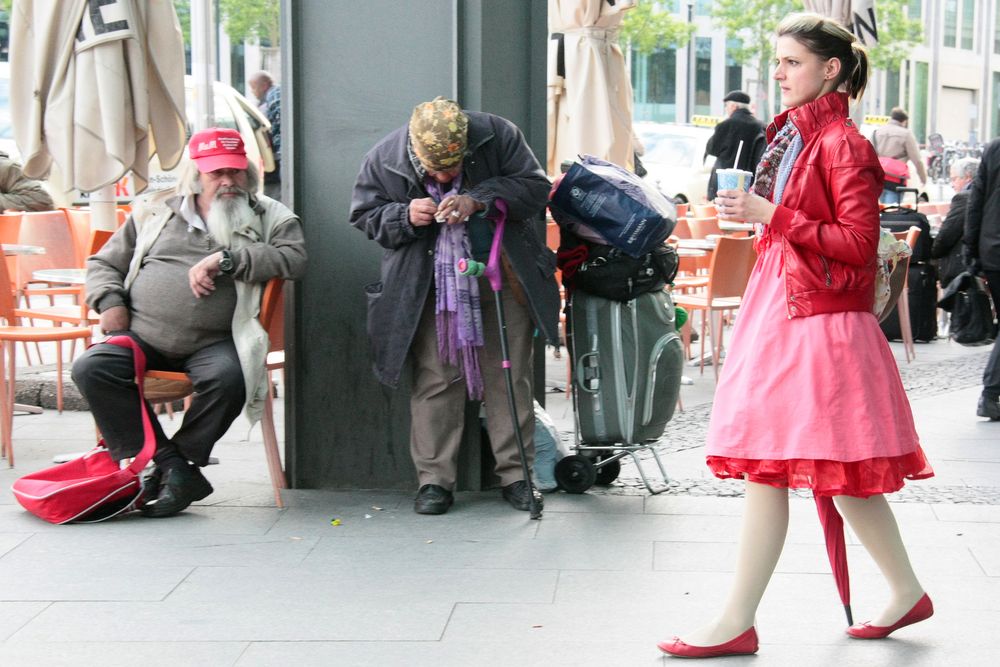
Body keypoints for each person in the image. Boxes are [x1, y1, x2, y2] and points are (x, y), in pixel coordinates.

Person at [658, 14, 934, 658]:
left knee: (773, 463)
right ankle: (903, 590)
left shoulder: (841, 142)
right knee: (832, 469)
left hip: (816, 324)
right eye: (776, 61)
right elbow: (805, 229)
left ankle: (736, 619)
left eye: (790, 62)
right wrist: (763, 222)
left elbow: (861, 246)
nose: (776, 74)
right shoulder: (803, 137)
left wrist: (771, 214)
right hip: (793, 310)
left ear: (829, 69)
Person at [71, 127, 307, 518]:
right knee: (92, 368)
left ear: (247, 172)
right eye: (217, 174)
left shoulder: (270, 215)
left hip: (217, 340)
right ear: (197, 174)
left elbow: (294, 259)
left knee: (230, 378)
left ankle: (175, 464)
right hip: (143, 336)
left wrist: (229, 260)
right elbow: (103, 263)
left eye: (235, 172)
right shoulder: (154, 211)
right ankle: (173, 467)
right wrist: (109, 300)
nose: (228, 182)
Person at [350, 97, 560, 515]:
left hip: (500, 274)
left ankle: (517, 476)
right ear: (415, 152)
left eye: (453, 166)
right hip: (429, 287)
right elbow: (364, 215)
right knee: (436, 379)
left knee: (509, 377)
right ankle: (434, 482)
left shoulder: (498, 135)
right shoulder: (385, 158)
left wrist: (479, 198)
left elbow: (536, 188)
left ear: (467, 145)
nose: (446, 176)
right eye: (435, 170)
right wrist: (404, 215)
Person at [963, 140, 1000, 420]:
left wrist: (973, 250)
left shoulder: (994, 148)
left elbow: (976, 200)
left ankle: (990, 394)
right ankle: (989, 392)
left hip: (992, 250)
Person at [704, 90, 766, 201]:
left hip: (724, 184)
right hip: (748, 185)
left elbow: (711, 149)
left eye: (726, 106)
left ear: (733, 106)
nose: (726, 109)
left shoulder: (726, 125)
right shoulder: (761, 126)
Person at [931, 157, 978, 289]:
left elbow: (946, 236)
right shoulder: (989, 194)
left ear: (968, 177)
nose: (952, 184)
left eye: (954, 179)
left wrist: (933, 252)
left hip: (964, 273)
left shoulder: (964, 198)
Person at [871, 107, 927, 205]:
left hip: (877, 178)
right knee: (891, 212)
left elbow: (868, 154)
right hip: (895, 180)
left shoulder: (877, 132)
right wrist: (923, 178)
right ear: (904, 121)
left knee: (878, 212)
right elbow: (917, 160)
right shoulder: (906, 134)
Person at [249, 71, 281, 200]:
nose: (252, 92)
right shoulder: (273, 96)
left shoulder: (273, 97)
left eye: (253, 87)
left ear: (264, 85)